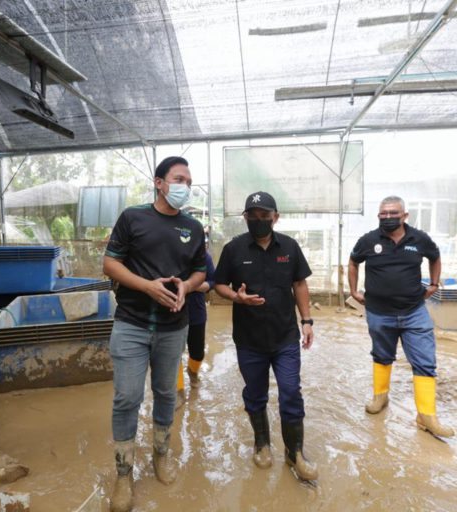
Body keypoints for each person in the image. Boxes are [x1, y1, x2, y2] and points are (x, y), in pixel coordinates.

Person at [102, 156, 206, 512]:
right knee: (127, 398)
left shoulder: (193, 227)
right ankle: (123, 473)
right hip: (131, 322)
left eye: (189, 181)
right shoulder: (134, 217)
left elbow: (200, 272)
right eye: (179, 179)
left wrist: (187, 288)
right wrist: (147, 286)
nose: (185, 187)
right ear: (159, 183)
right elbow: (110, 263)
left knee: (166, 394)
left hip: (173, 327)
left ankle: (160, 455)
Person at [213, 191, 318, 481]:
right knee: (256, 394)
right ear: (245, 218)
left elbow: (299, 284)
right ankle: (262, 444)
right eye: (253, 216)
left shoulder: (290, 247)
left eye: (265, 215)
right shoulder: (234, 249)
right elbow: (218, 284)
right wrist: (237, 296)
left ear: (275, 217)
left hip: (285, 337)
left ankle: (295, 452)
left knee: (290, 391)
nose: (259, 220)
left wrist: (307, 321)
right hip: (249, 340)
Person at [348, 195, 454, 438]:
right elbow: (353, 262)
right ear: (378, 216)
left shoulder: (419, 239)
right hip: (378, 312)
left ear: (405, 215)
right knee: (382, 355)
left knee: (425, 361)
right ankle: (380, 397)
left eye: (393, 213)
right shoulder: (369, 240)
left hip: (414, 311)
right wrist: (353, 291)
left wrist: (434, 283)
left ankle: (426, 416)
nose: (388, 217)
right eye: (383, 213)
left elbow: (435, 257)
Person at [175, 236, 215, 408]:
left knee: (197, 352)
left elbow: (213, 280)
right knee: (174, 353)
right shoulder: (171, 254)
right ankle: (178, 391)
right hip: (173, 310)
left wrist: (194, 285)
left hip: (196, 311)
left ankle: (192, 372)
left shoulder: (204, 257)